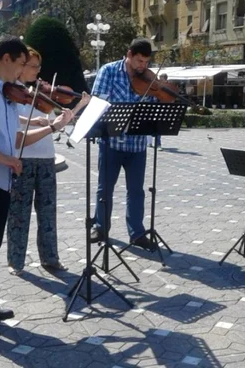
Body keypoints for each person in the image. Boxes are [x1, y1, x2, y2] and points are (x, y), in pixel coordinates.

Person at [0, 35, 73, 339]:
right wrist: (1, 157)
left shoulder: (7, 94)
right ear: (6, 58)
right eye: (21, 63)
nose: (23, 71)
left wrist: (52, 127)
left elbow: (16, 139)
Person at [6, 46, 91, 275]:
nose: (37, 71)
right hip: (23, 158)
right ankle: (16, 261)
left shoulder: (42, 96)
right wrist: (46, 124)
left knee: (48, 211)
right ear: (21, 66)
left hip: (46, 158)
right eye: (33, 66)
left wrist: (79, 106)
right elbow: (16, 124)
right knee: (19, 214)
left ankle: (50, 258)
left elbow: (55, 123)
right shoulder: (10, 94)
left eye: (38, 66)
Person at [89, 38, 159, 251]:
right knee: (105, 189)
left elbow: (155, 104)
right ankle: (100, 227)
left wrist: (157, 92)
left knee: (136, 191)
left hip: (137, 145)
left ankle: (137, 233)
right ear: (128, 54)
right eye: (139, 61)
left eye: (146, 62)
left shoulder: (147, 78)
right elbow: (97, 101)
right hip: (112, 142)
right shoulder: (109, 71)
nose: (142, 66)